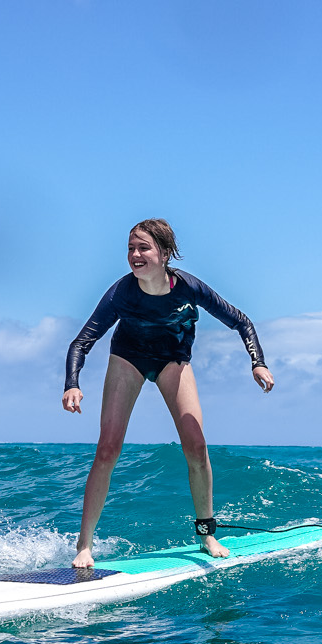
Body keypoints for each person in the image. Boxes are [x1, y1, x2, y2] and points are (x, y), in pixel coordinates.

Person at [62, 219, 275, 567]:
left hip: (173, 360)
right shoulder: (121, 293)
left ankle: (207, 533)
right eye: (131, 248)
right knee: (108, 448)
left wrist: (258, 363)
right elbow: (82, 341)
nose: (135, 255)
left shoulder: (189, 288)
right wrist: (72, 384)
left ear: (164, 253)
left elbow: (241, 321)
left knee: (196, 444)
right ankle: (84, 545)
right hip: (128, 359)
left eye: (143, 247)